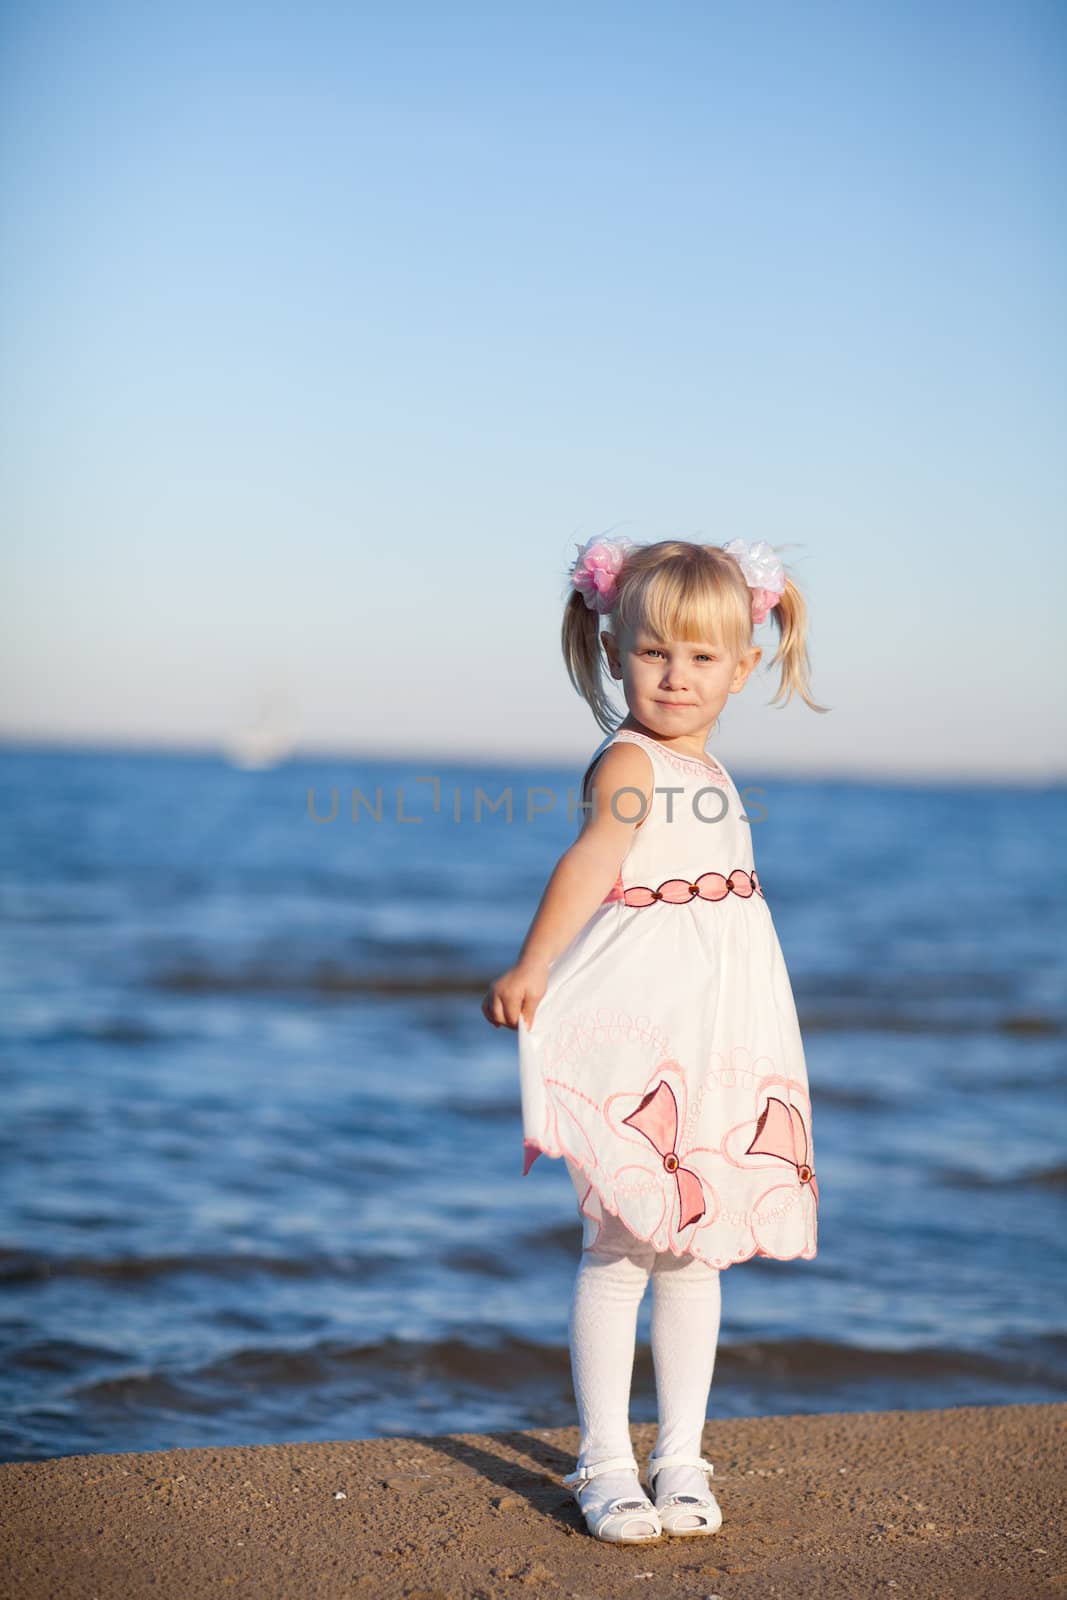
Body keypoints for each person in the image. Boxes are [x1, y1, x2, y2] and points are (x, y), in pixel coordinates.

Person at [482, 535, 827, 1545]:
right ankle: (601, 1461)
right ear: (610, 648)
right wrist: (533, 962)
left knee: (695, 1253)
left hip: (711, 1033)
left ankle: (679, 1453)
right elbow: (594, 858)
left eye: (701, 657)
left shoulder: (704, 762)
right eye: (651, 653)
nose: (674, 676)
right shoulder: (630, 760)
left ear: (742, 666)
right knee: (624, 1243)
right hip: (642, 1035)